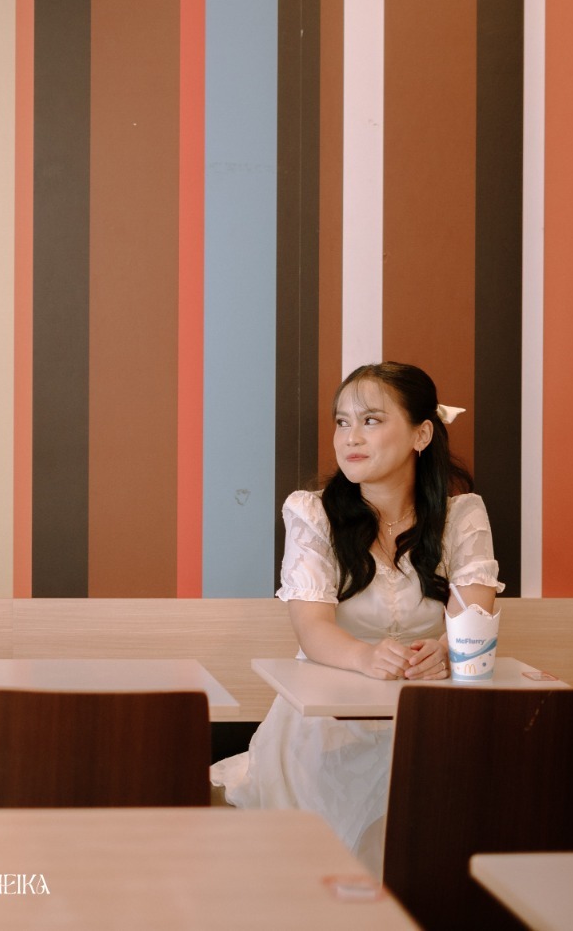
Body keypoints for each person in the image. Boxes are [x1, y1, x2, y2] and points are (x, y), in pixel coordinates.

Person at [211, 361, 501, 874]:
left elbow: (472, 618)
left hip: (428, 721)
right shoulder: (313, 513)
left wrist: (445, 651)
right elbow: (313, 630)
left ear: (421, 434)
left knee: (437, 849)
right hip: (327, 728)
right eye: (342, 422)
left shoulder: (463, 516)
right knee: (328, 868)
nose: (350, 438)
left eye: (371, 421)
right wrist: (367, 657)